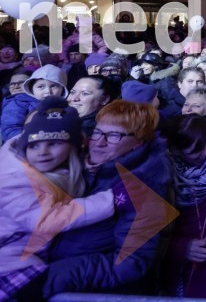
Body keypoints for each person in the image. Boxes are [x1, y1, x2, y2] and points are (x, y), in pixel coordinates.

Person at [44, 100, 173, 297]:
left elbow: (131, 262)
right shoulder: (73, 165)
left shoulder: (143, 187)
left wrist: (56, 276)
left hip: (90, 291)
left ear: (138, 142)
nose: (99, 142)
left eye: (114, 135)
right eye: (97, 132)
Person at [0, 98, 119, 301]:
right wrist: (110, 200)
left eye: (54, 143)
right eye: (34, 146)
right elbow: (45, 220)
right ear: (24, 147)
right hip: (8, 261)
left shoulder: (52, 168)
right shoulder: (13, 180)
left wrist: (89, 165)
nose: (42, 152)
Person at [160, 114, 206, 298]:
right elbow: (149, 235)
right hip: (187, 266)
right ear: (175, 150)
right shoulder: (160, 176)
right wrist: (181, 248)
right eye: (196, 151)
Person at [2, 64, 68, 141]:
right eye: (41, 86)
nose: (48, 91)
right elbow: (11, 130)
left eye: (53, 86)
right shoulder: (18, 102)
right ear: (31, 88)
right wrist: (36, 140)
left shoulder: (67, 106)